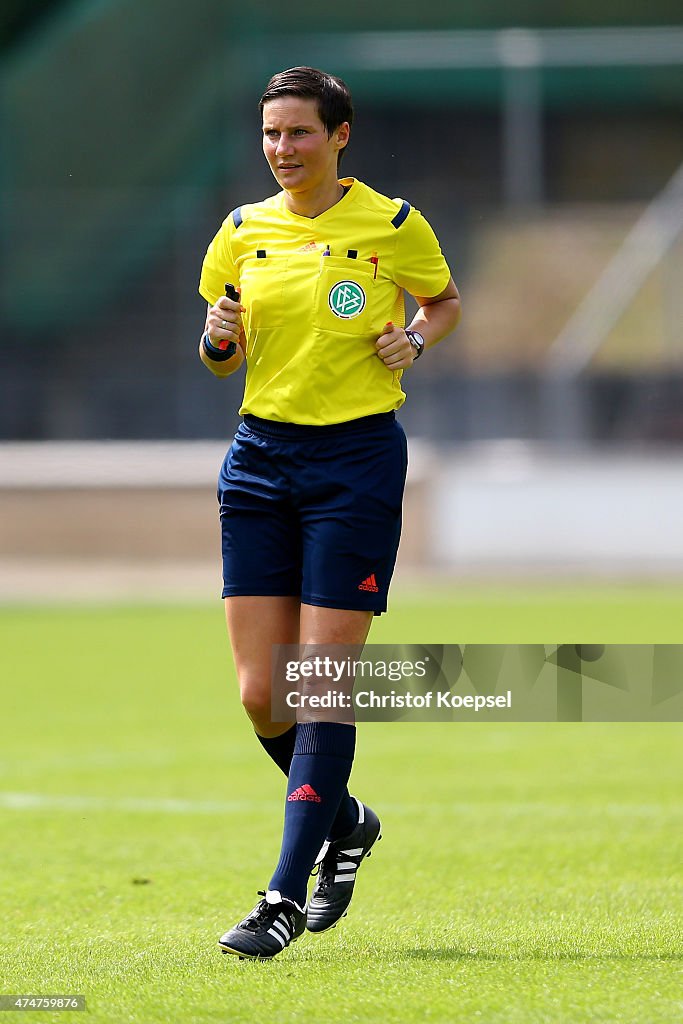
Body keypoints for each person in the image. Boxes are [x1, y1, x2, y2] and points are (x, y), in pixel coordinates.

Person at [197, 66, 461, 960]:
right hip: (259, 463)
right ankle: (346, 823)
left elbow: (443, 301)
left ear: (339, 136)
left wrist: (413, 337)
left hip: (355, 460)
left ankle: (278, 895)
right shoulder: (240, 231)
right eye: (270, 134)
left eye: (299, 133)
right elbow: (216, 352)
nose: (281, 150)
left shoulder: (392, 224)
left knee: (318, 685)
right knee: (261, 695)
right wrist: (217, 338)